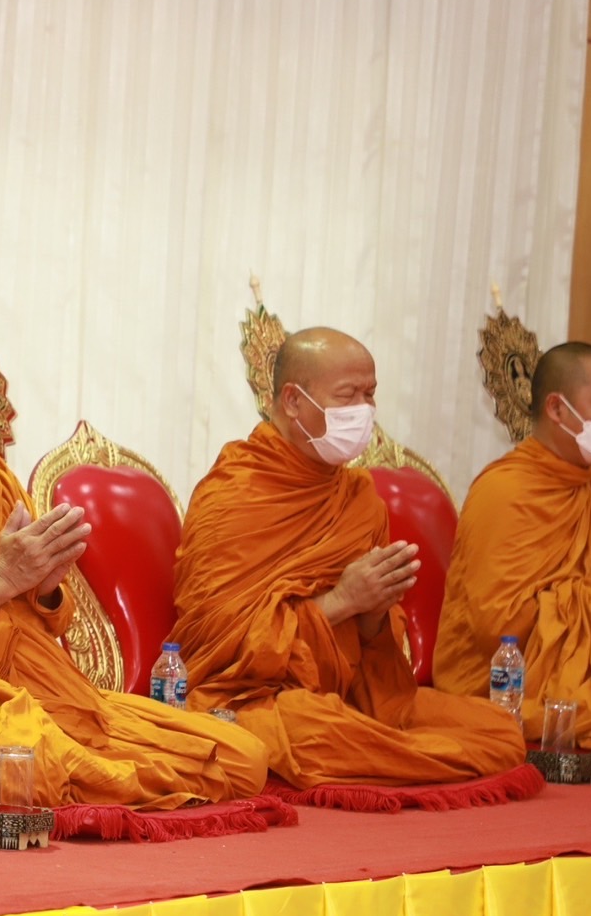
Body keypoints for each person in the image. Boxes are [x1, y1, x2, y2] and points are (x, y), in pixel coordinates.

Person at [0, 290, 269, 812]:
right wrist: (2, 581)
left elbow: (47, 622)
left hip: (38, 691)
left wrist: (46, 582)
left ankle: (90, 769)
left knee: (242, 754)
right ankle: (82, 773)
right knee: (25, 768)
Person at [173, 327, 527, 789]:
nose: (365, 411)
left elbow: (375, 658)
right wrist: (340, 601)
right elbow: (214, 649)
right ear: (293, 401)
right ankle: (398, 763)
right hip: (256, 701)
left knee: (499, 730)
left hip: (350, 699)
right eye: (348, 395)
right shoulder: (232, 494)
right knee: (309, 727)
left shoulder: (360, 498)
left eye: (370, 394)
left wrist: (375, 610)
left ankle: (390, 761)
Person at [437, 341, 591, 760]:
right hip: (504, 686)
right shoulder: (504, 492)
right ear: (557, 409)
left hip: (583, 675)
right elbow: (499, 628)